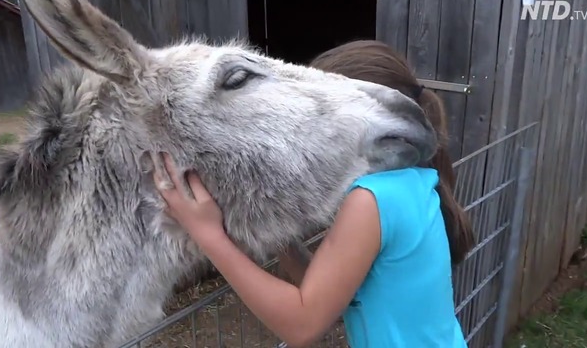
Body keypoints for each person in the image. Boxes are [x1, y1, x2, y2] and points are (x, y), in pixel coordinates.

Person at [152, 40, 474, 347]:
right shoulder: (414, 182)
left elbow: (303, 325)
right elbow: (330, 293)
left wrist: (209, 235)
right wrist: (275, 232)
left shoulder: (371, 200)